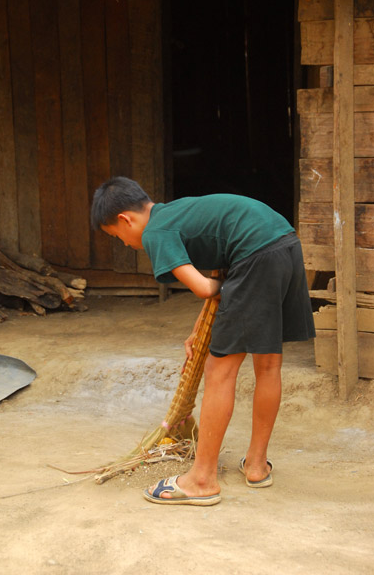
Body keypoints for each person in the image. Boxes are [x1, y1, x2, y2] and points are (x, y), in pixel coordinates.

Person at [91, 176, 315, 506]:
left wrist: (235, 294)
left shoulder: (156, 231)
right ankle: (256, 465)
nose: (125, 243)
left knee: (219, 369)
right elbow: (221, 266)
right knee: (268, 365)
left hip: (255, 256)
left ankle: (201, 479)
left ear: (125, 219)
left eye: (118, 237)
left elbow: (207, 288)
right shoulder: (177, 212)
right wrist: (200, 328)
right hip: (283, 242)